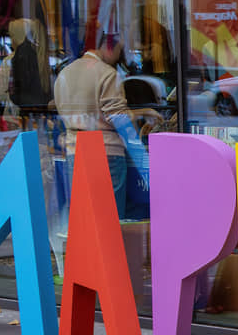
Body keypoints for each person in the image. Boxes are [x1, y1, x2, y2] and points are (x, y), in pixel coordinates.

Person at [54, 31, 159, 217]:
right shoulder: (107, 73)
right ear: (109, 46)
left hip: (74, 149)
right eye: (119, 50)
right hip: (106, 152)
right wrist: (143, 113)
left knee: (83, 218)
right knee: (110, 218)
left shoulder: (65, 73)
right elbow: (117, 117)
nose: (120, 56)